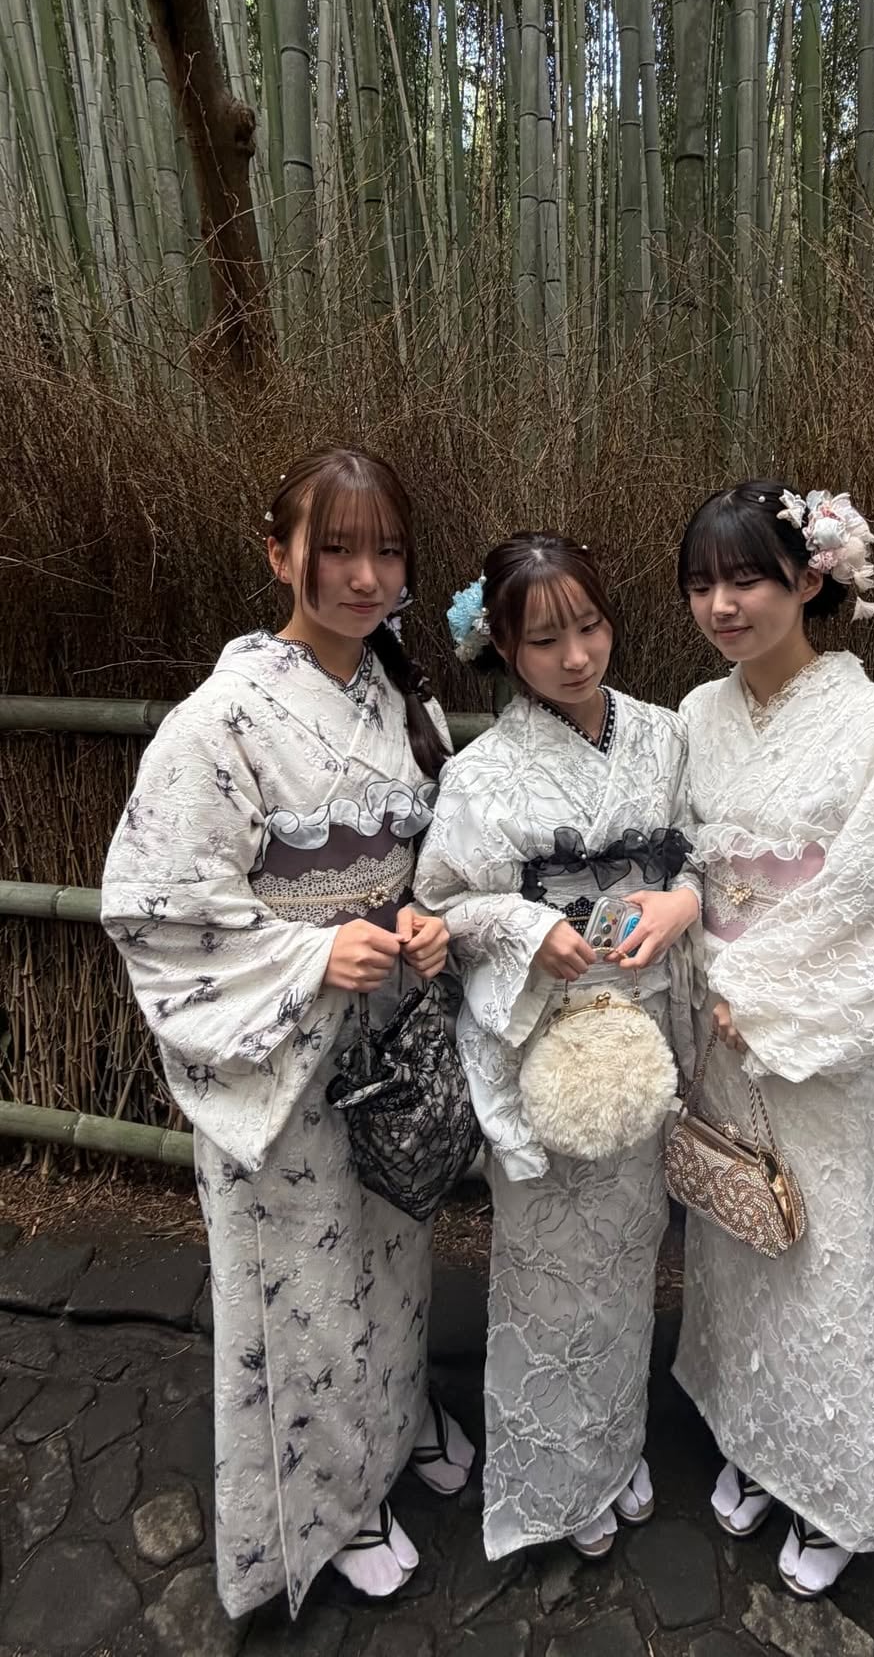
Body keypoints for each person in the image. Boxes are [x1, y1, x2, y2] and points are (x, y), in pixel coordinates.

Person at [100, 446, 474, 1619]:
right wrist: (315, 951)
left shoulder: (402, 696)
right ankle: (328, 1499)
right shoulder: (217, 723)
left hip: (386, 1039)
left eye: (388, 551)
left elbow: (437, 854)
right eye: (339, 549)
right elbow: (159, 909)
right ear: (281, 555)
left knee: (393, 1254)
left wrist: (422, 920)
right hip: (280, 1046)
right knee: (303, 1282)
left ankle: (396, 1410)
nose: (367, 576)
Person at [673, 480, 874, 1599]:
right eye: (702, 582)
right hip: (718, 1024)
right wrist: (710, 979)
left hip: (817, 1025)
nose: (723, 603)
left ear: (810, 576)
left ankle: (832, 1483)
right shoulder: (696, 716)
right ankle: (749, 1433)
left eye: (747, 577)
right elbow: (682, 868)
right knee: (738, 1226)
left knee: (824, 1251)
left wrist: (764, 983)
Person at [413, 534, 700, 1562]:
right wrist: (532, 930)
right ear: (501, 646)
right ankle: (556, 1472)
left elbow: (705, 854)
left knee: (630, 1255)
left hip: (642, 1033)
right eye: (545, 637)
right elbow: (442, 904)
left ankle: (617, 1445)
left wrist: (678, 898)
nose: (576, 655)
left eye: (589, 626)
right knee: (545, 1267)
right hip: (542, 1033)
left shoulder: (665, 737)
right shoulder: (483, 773)